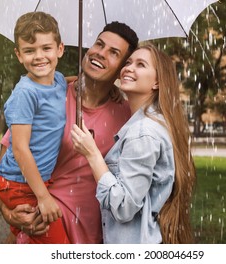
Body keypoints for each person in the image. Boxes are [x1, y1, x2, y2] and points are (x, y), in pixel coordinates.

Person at [0, 21, 139, 244]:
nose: (100, 53)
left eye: (113, 53)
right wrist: (8, 213)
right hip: (45, 223)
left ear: (122, 68)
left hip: (97, 236)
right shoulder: (46, 97)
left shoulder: (127, 115)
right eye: (99, 44)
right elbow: (1, 166)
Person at [71, 43, 196, 243]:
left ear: (157, 82)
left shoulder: (143, 132)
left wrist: (92, 154)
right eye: (128, 62)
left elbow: (124, 207)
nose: (129, 68)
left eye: (141, 64)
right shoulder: (152, 121)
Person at [0, 11, 69, 244]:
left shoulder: (58, 80)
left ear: (60, 49)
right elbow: (20, 149)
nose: (39, 57)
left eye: (46, 48)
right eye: (29, 50)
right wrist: (43, 196)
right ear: (19, 55)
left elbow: (68, 81)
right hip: (19, 183)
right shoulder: (25, 94)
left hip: (31, 182)